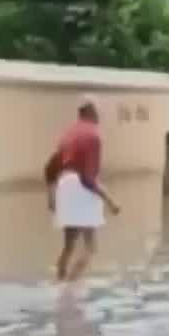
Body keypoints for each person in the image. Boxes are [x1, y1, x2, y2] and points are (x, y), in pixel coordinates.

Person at [43, 101, 121, 281]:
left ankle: (60, 283)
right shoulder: (94, 136)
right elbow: (87, 179)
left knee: (69, 245)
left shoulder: (68, 134)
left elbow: (50, 168)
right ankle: (71, 285)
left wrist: (51, 196)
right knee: (90, 247)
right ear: (93, 113)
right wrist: (109, 200)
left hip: (64, 184)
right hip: (81, 187)